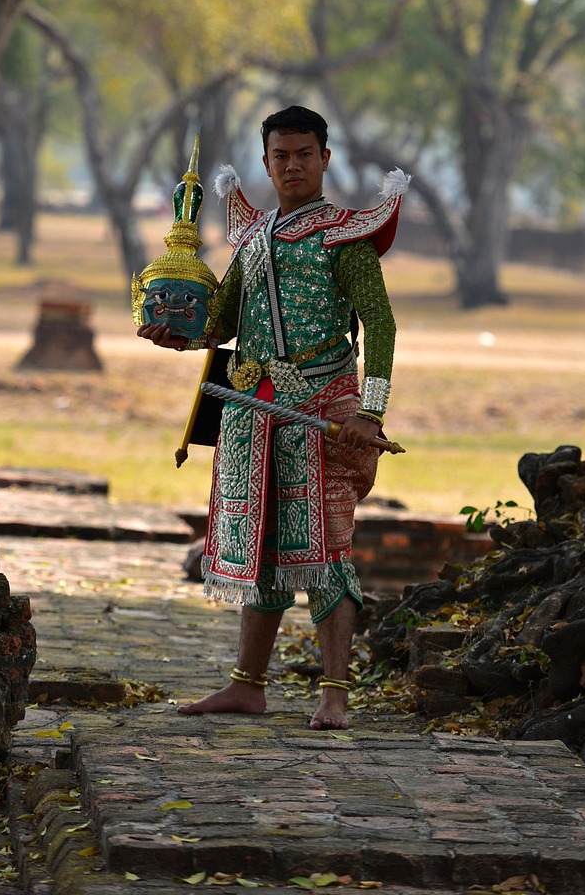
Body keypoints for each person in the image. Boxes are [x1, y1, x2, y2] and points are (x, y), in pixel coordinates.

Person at [138, 106, 407, 728]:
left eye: (304, 155)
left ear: (325, 160)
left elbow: (382, 326)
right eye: (281, 156)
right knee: (257, 546)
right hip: (253, 410)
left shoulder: (345, 236)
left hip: (325, 411)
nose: (292, 166)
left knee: (328, 549)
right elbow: (223, 322)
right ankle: (246, 686)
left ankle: (335, 693)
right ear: (266, 162)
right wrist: (178, 333)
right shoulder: (253, 237)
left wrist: (371, 411)